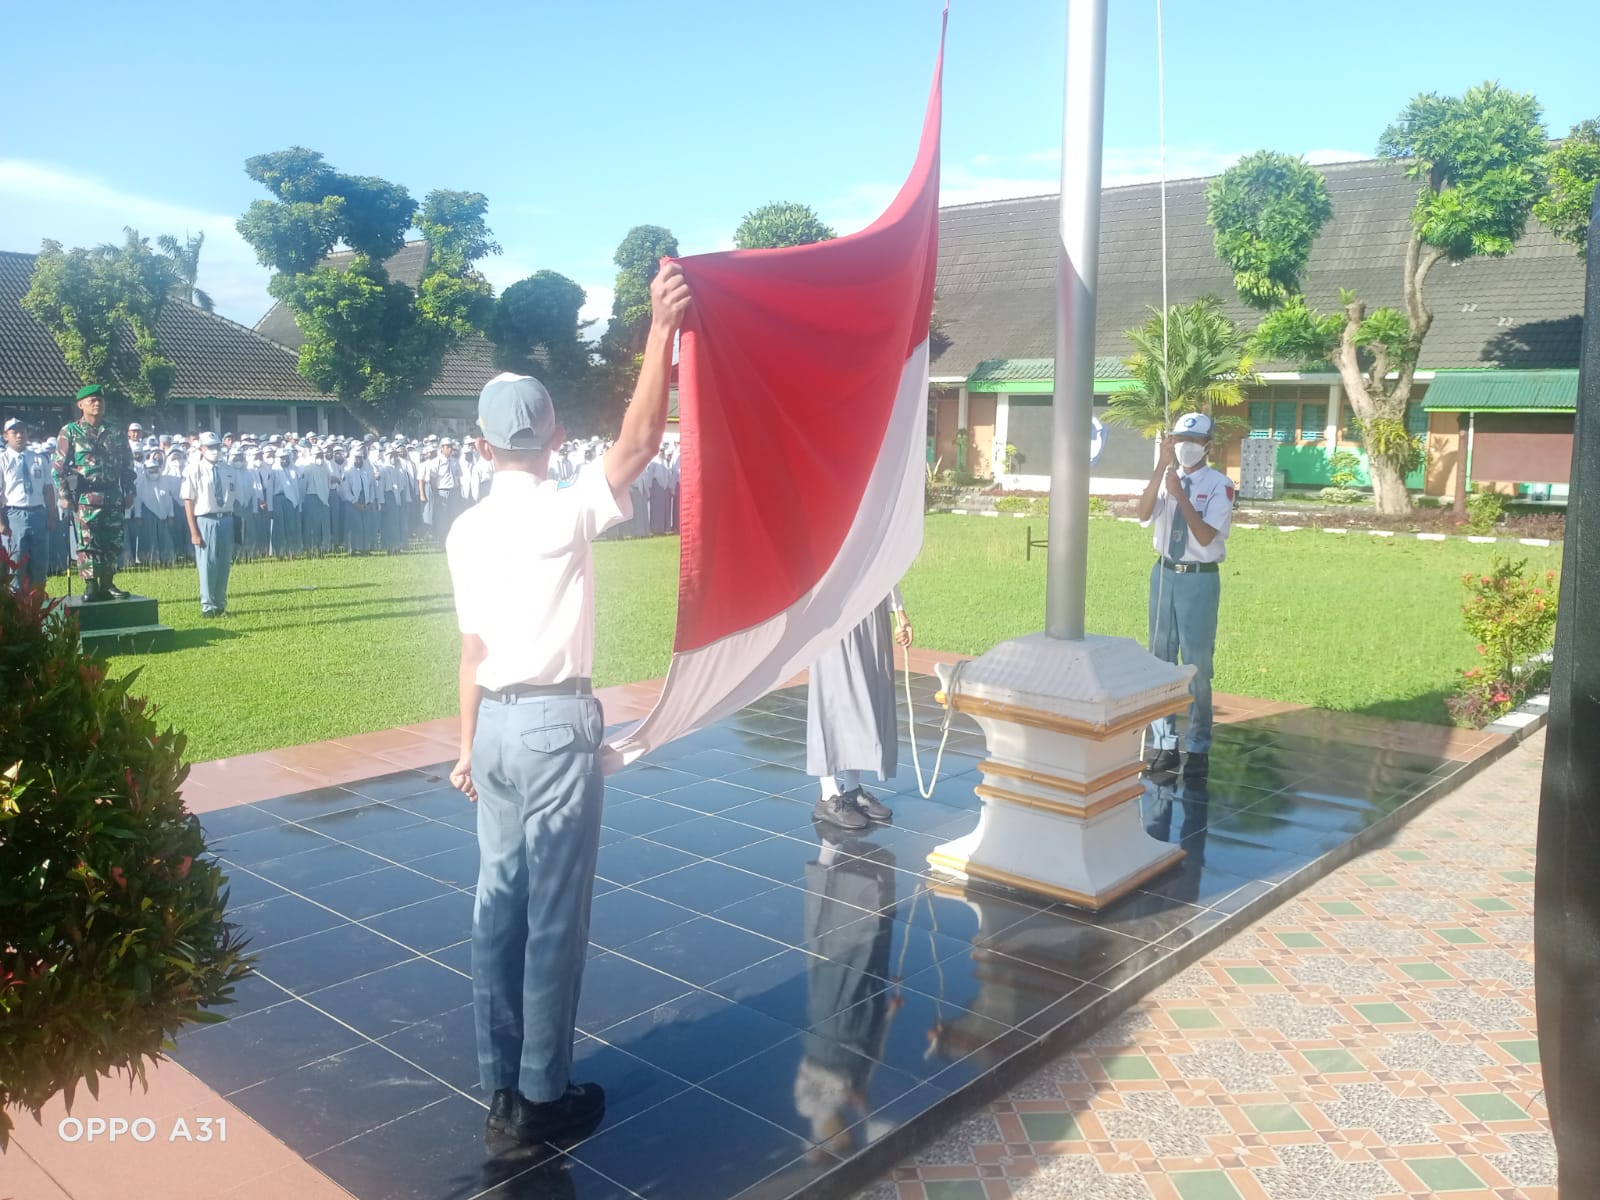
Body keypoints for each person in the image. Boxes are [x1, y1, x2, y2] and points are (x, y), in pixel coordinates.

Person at [445, 260, 689, 1148]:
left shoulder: (465, 530)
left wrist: (465, 746)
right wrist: (660, 333)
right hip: (552, 726)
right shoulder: (560, 511)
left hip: (498, 730)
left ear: (481, 446)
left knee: (494, 908)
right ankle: (542, 1095)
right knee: (552, 916)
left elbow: (470, 648)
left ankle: (499, 1086)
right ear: (552, 439)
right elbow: (636, 446)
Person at [1136, 411, 1234, 776]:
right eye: (1179, 441)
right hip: (1163, 574)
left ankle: (1197, 745)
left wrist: (1182, 497)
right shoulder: (1166, 480)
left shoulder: (1219, 484)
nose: (1185, 448)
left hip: (1198, 578)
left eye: (1193, 442)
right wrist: (1161, 471)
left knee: (1196, 665)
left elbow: (1206, 536)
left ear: (1208, 446)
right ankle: (1164, 744)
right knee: (1160, 659)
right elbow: (1142, 512)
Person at [807, 589, 914, 829]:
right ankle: (828, 794)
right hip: (832, 611)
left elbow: (884, 561)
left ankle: (852, 789)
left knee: (867, 697)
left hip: (870, 609)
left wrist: (899, 613)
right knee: (833, 697)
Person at [52, 384, 137, 601]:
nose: (97, 403)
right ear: (81, 405)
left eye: (100, 400)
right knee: (88, 543)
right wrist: (63, 495)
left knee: (112, 541)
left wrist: (130, 490)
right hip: (86, 497)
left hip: (112, 495)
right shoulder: (70, 431)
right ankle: (91, 585)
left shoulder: (115, 431)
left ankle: (108, 583)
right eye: (92, 400)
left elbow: (127, 464)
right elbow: (59, 468)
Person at [182, 431, 236, 617]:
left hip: (226, 518)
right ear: (201, 449)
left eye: (217, 446)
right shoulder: (193, 469)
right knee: (207, 564)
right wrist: (194, 531)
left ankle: (220, 604)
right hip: (206, 519)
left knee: (224, 564)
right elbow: (188, 501)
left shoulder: (227, 469)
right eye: (211, 447)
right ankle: (208, 606)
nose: (215, 450)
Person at [1, 417, 54, 593]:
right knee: (16, 565)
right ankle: (17, 611)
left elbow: (48, 489)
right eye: (14, 432)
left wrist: (51, 515)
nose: (19, 435)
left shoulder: (39, 459)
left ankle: (37, 607)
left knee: (39, 564)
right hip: (14, 515)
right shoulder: (3, 460)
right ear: (5, 436)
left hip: (39, 513)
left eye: (22, 431)